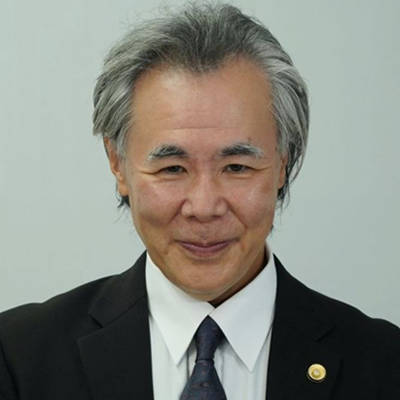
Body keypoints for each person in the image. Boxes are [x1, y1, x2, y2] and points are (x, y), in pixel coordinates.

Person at [0, 2, 399, 399]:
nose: (205, 207)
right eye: (172, 168)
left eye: (237, 167)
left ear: (283, 162)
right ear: (117, 163)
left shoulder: (385, 364)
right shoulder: (18, 357)